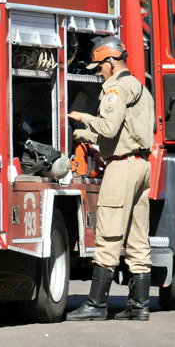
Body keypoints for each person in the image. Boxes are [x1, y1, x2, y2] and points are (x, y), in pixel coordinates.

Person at [66, 36, 155, 321]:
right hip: (141, 164)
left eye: (99, 67)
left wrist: (82, 118)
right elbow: (122, 131)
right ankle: (140, 305)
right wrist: (85, 136)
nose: (97, 72)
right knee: (139, 239)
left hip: (121, 167)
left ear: (111, 61)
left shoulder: (116, 88)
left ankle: (96, 303)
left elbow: (108, 125)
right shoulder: (140, 87)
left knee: (108, 236)